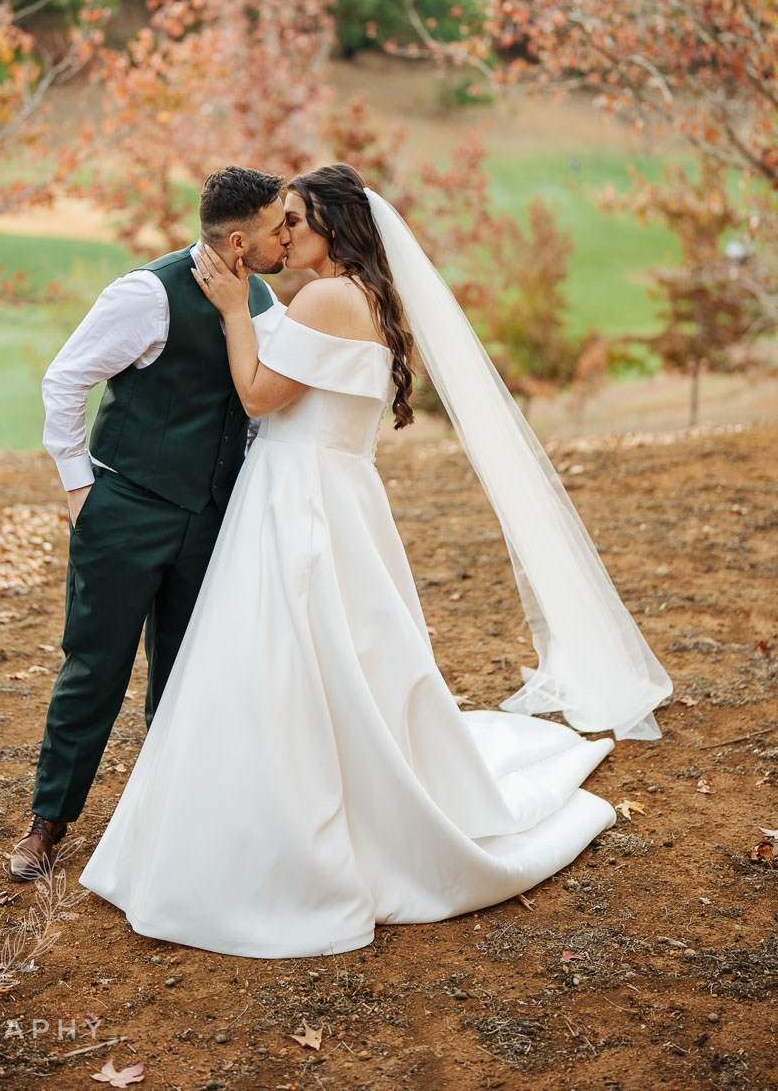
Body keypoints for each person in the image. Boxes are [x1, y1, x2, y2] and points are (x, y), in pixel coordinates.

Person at [78, 163, 672, 957]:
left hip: (302, 499)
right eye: (280, 222)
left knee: (289, 662)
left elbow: (258, 396)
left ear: (334, 226)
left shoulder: (326, 297)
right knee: (330, 663)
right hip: (332, 493)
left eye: (295, 222)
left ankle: (281, 832)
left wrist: (230, 309)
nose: (282, 236)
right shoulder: (368, 297)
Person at [9, 167, 288, 881]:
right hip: (125, 511)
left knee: (186, 673)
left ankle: (170, 819)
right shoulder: (146, 294)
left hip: (211, 518)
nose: (286, 236)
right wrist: (81, 488)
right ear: (236, 240)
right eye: (275, 227)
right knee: (95, 667)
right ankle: (48, 821)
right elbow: (65, 380)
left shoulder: (260, 297)